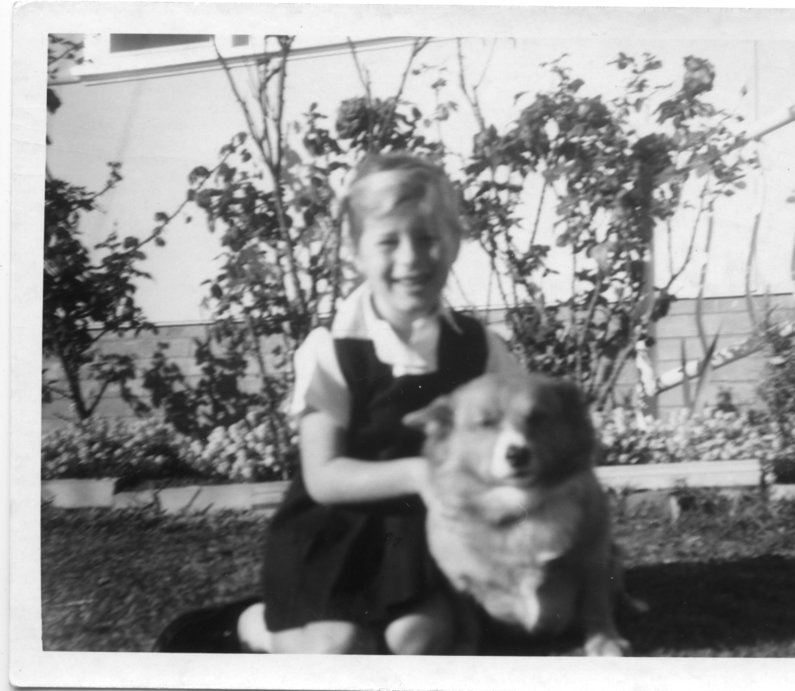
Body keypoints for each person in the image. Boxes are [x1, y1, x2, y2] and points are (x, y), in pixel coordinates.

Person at [154, 152, 521, 655]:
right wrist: (424, 474)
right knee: (338, 650)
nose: (411, 258)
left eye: (428, 238)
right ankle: (248, 624)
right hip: (335, 529)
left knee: (419, 640)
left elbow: (519, 439)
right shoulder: (335, 351)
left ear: (454, 243)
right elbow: (324, 476)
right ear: (354, 251)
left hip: (418, 531)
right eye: (389, 241)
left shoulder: (479, 349)